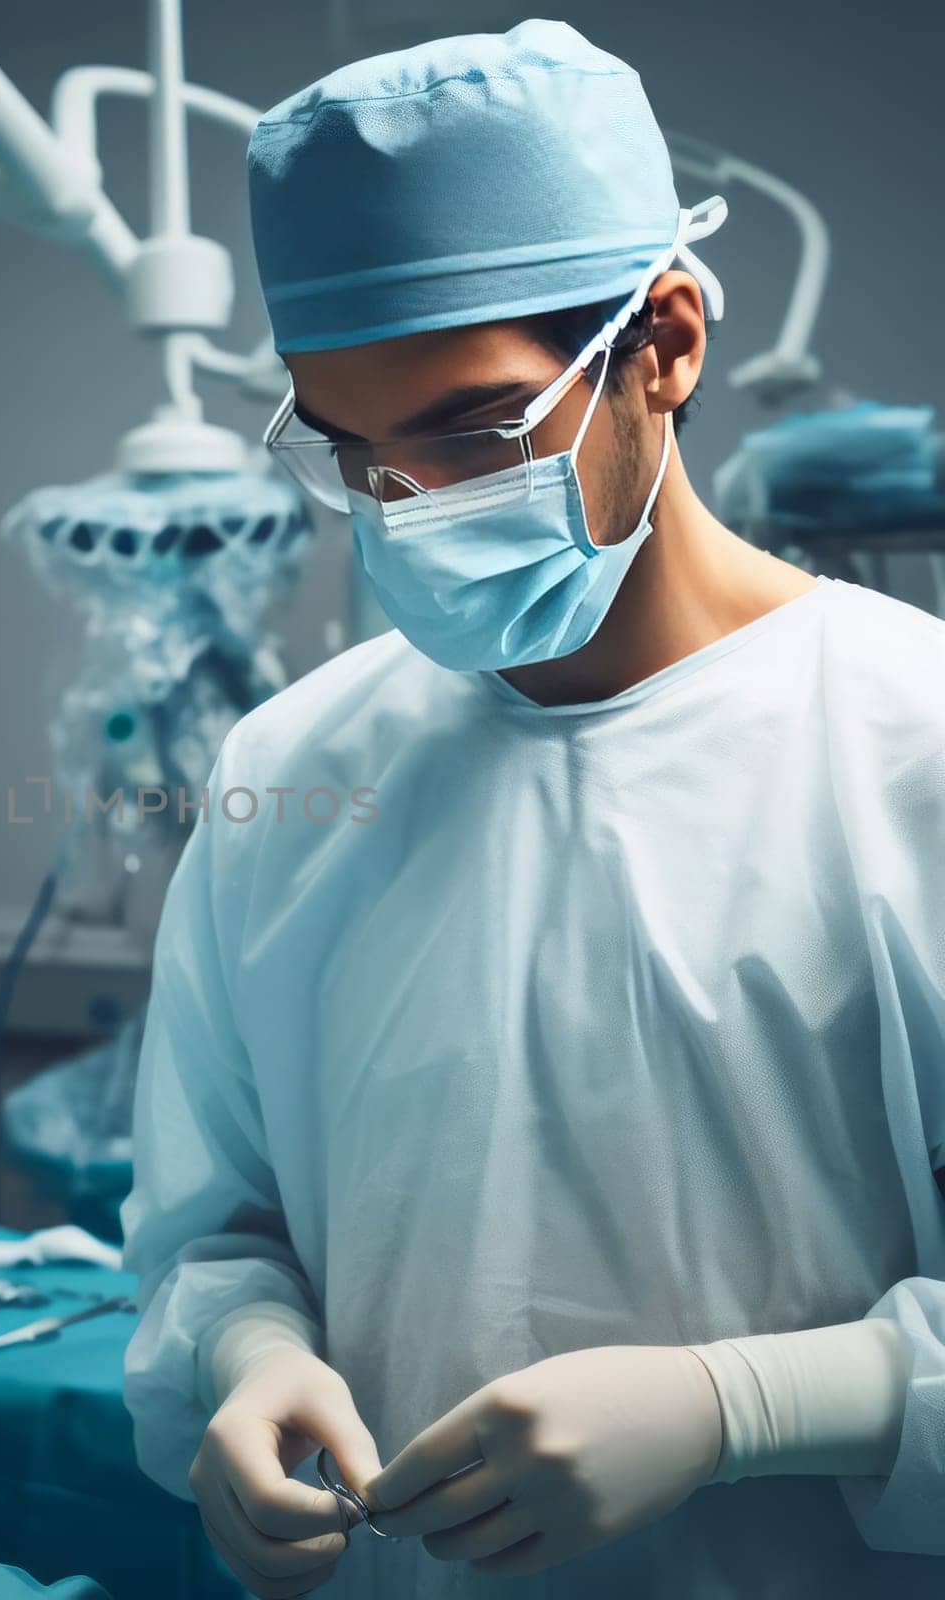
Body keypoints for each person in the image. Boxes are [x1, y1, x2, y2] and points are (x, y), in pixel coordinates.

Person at [121, 19, 945, 1598]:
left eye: (470, 431)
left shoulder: (909, 745)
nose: (409, 512)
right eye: (351, 454)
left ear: (669, 344)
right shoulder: (287, 773)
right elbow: (212, 1229)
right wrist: (243, 1352)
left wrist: (745, 1407)